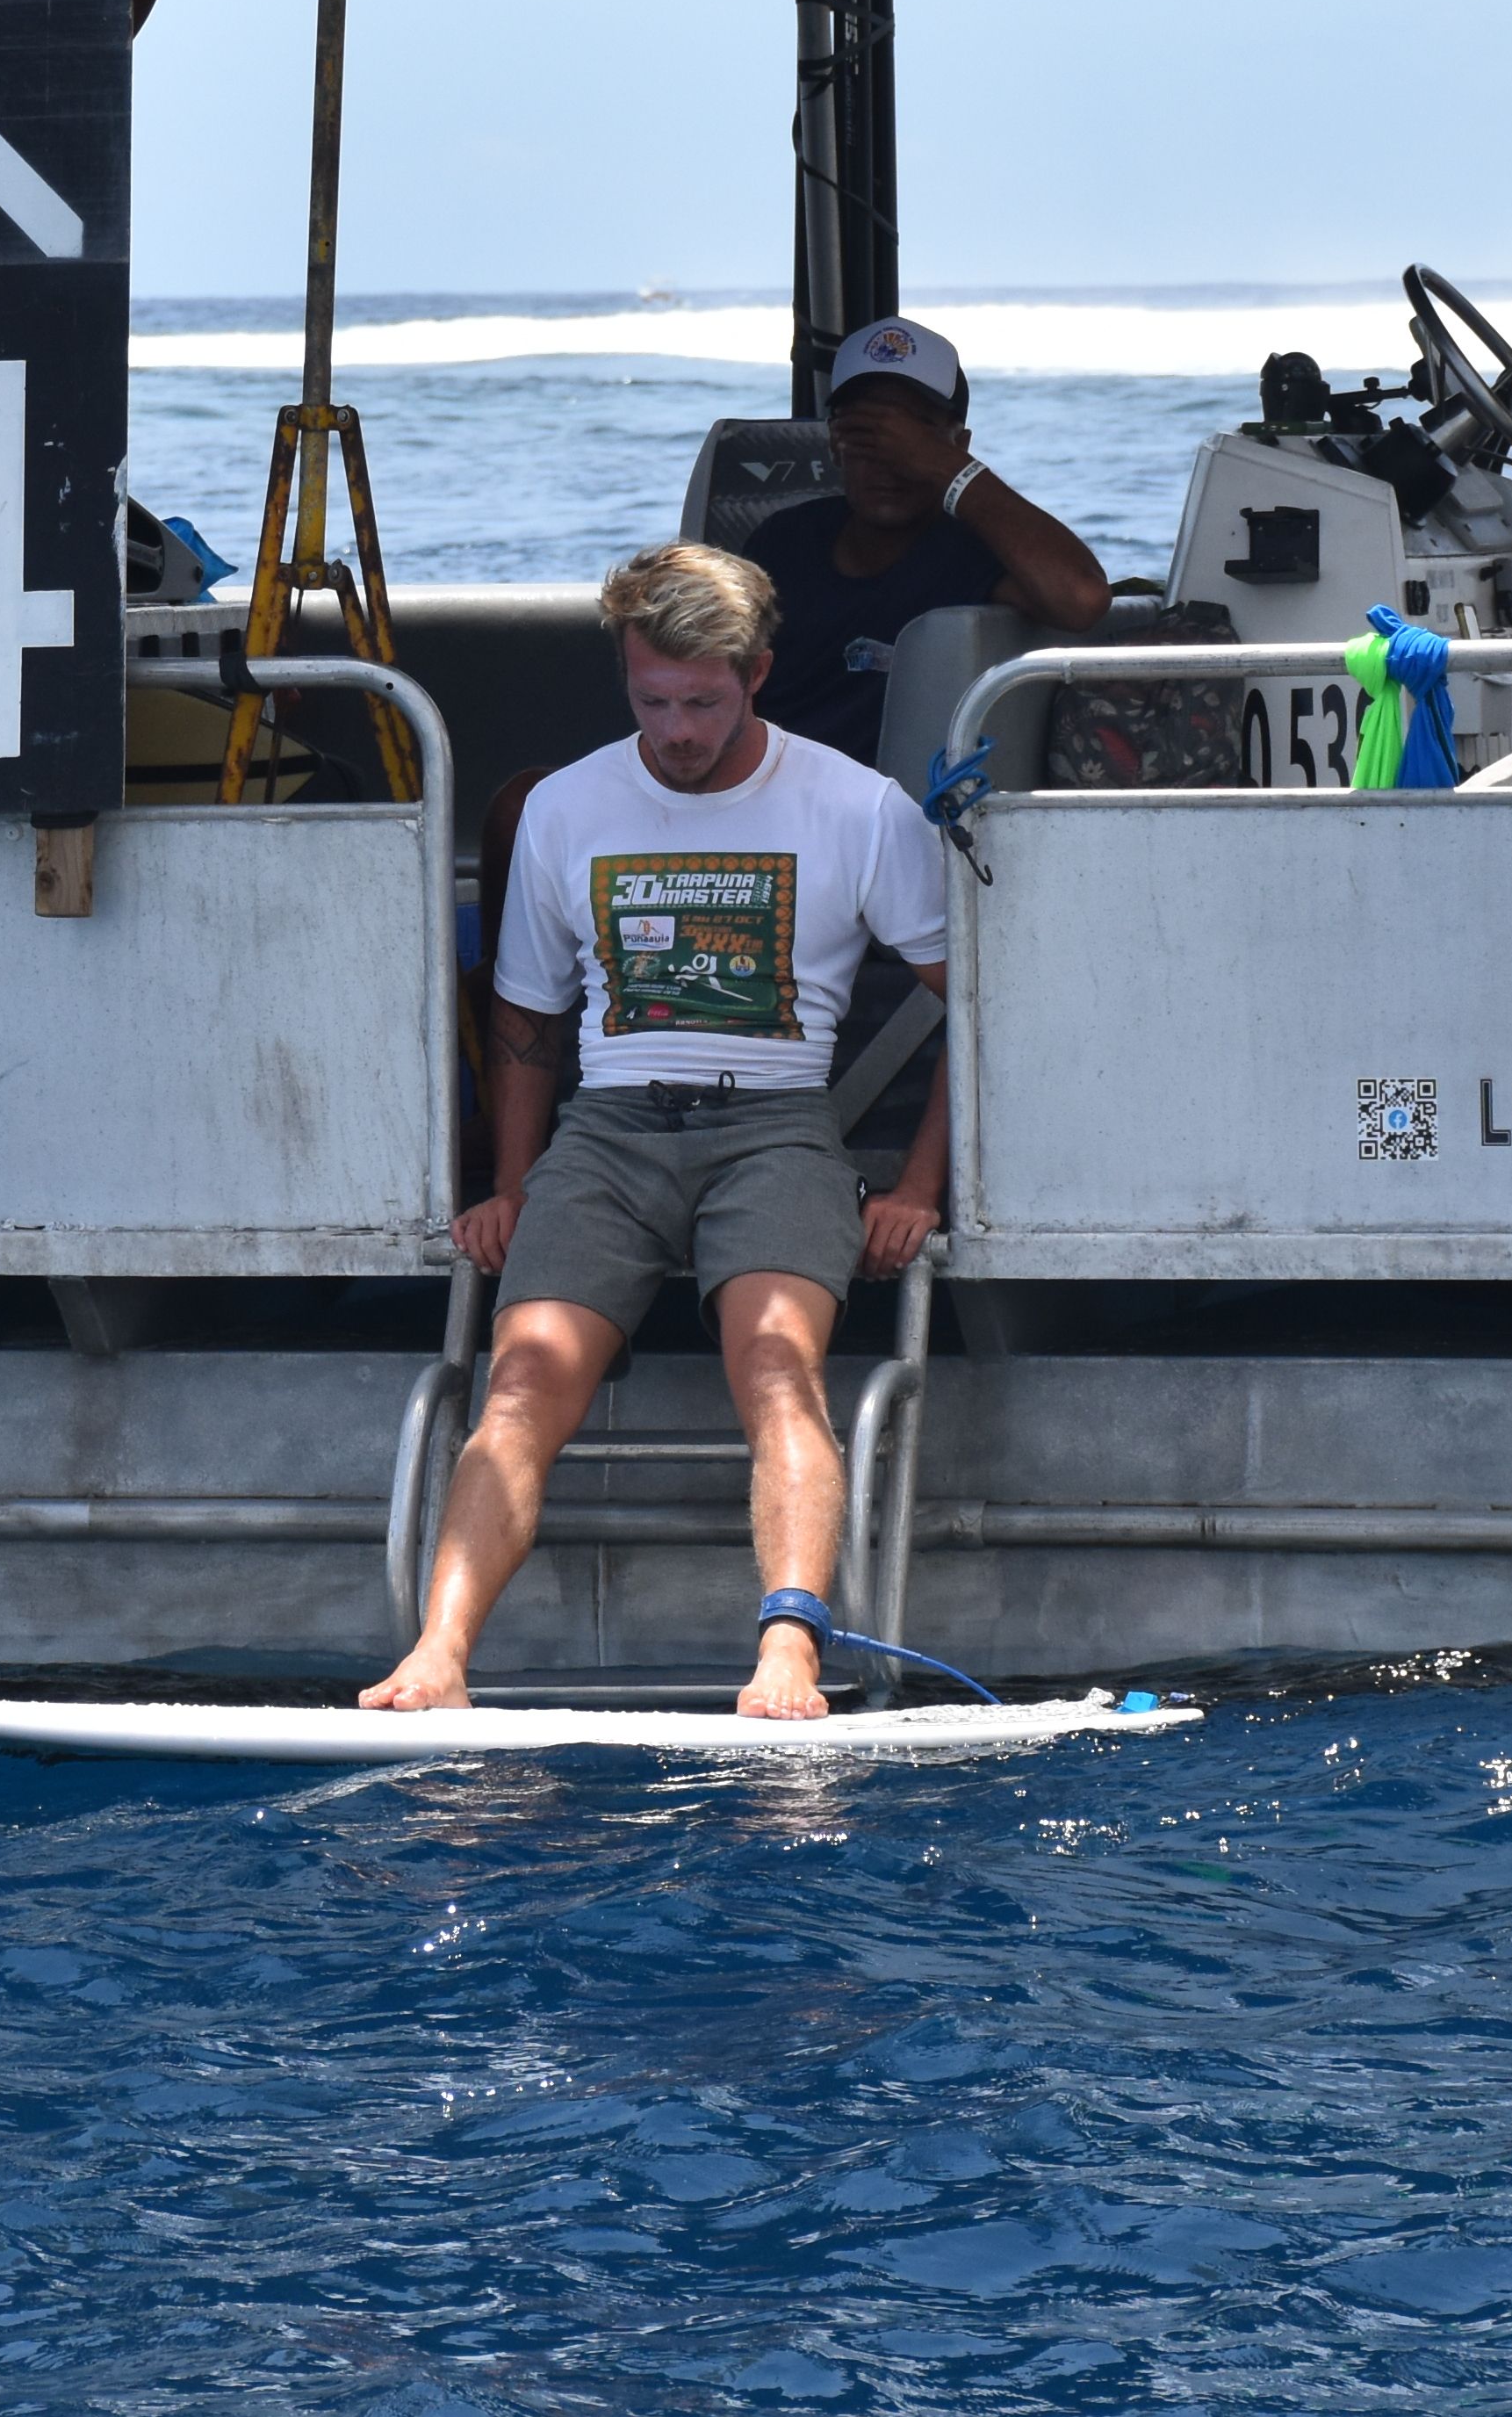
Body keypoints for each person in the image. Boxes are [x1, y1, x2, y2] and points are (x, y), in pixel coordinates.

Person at [367, 540, 952, 1719]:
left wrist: (920, 1187)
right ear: (624, 678)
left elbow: (979, 1009)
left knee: (779, 1365)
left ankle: (789, 1649)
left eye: (704, 702)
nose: (678, 730)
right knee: (523, 1374)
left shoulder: (857, 806)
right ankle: (437, 1654)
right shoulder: (565, 806)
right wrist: (514, 1182)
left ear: (758, 675)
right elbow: (527, 1020)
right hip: (610, 1132)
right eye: (652, 701)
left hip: (776, 1127)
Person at [735, 315, 1108, 768]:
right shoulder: (784, 541)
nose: (890, 460)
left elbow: (1082, 598)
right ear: (835, 444)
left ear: (958, 446)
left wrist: (946, 468)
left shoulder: (972, 550)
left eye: (911, 438)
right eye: (867, 435)